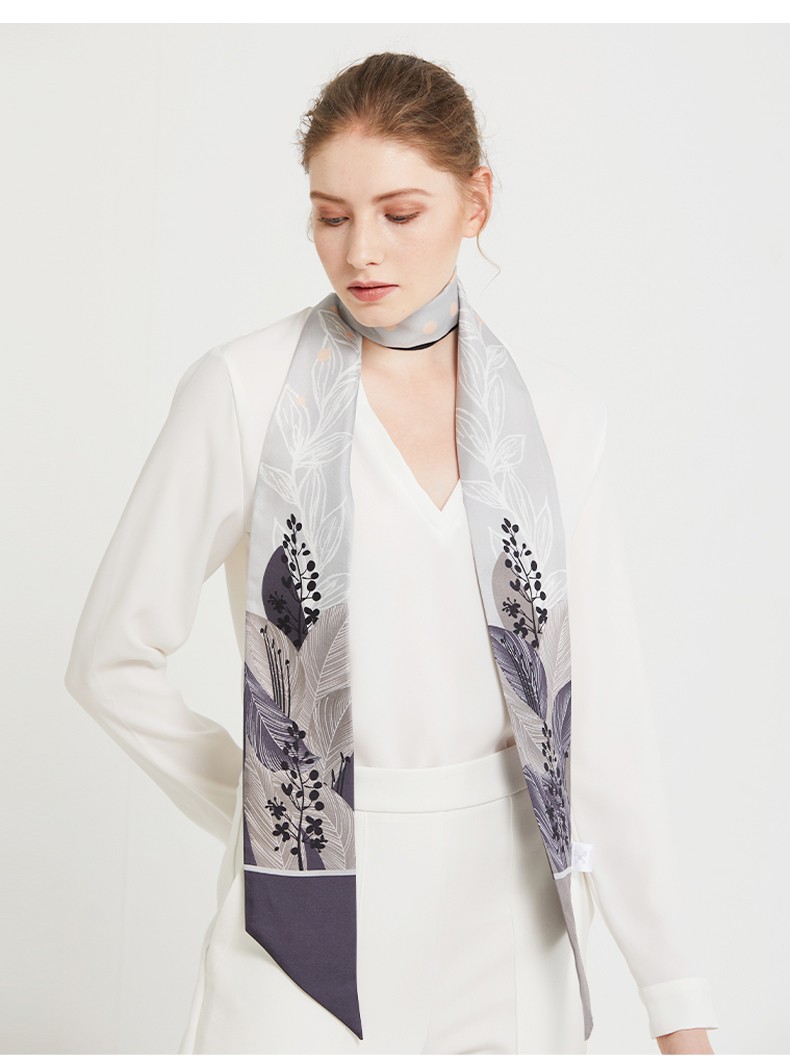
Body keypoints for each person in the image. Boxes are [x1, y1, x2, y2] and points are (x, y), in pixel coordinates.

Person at [64, 51, 719, 1055]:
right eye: (331, 216)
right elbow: (110, 657)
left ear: (475, 201)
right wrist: (261, 799)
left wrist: (676, 1005)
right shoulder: (242, 392)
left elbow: (604, 727)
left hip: (509, 925)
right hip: (302, 916)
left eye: (399, 213)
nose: (360, 250)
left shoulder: (557, 421)